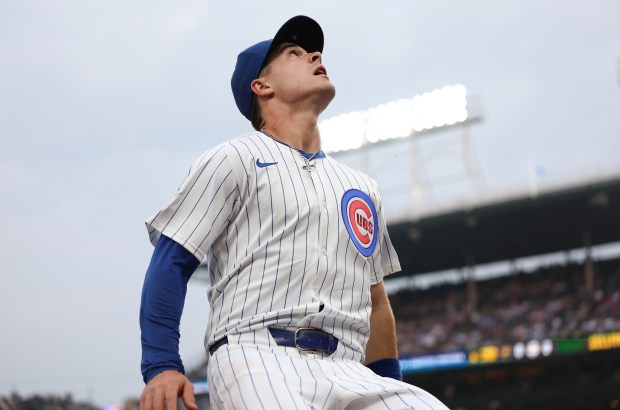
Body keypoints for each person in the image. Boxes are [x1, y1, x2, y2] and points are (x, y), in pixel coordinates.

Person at [139, 15, 449, 410]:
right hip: (256, 355)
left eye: (312, 50)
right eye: (294, 53)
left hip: (351, 368)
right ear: (261, 86)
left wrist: (387, 389)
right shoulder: (234, 158)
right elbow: (170, 262)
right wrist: (161, 365)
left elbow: (375, 303)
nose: (314, 55)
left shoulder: (361, 187)